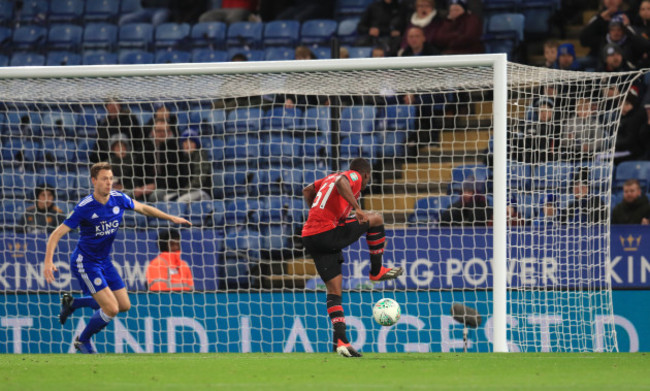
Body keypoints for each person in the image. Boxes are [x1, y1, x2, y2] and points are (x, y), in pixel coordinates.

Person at [43, 162, 191, 354]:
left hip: (104, 261)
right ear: (94, 181)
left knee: (123, 305)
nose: (109, 183)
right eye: (104, 179)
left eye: (111, 178)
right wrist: (48, 261)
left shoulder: (118, 198)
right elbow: (56, 234)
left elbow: (144, 208)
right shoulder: (84, 207)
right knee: (111, 308)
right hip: (85, 262)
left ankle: (74, 303)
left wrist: (171, 218)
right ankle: (83, 340)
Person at [301, 158, 404, 358]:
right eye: (368, 178)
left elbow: (307, 190)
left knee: (334, 290)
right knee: (375, 218)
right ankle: (376, 271)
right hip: (326, 232)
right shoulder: (354, 176)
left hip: (310, 235)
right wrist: (357, 207)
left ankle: (341, 341)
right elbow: (342, 182)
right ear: (366, 174)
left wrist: (316, 212)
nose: (366, 182)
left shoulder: (327, 178)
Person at [89, 99, 143, 164]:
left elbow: (137, 139)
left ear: (120, 106)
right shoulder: (104, 125)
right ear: (106, 107)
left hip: (129, 157)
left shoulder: (130, 120)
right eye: (110, 105)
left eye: (115, 104)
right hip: (109, 158)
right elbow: (100, 145)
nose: (113, 107)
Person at [172, 127, 213, 203]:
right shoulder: (183, 158)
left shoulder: (201, 156)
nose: (187, 145)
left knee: (180, 201)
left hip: (202, 192)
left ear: (196, 144)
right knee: (167, 199)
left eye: (190, 142)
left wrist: (183, 192)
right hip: (187, 192)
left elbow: (198, 181)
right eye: (185, 142)